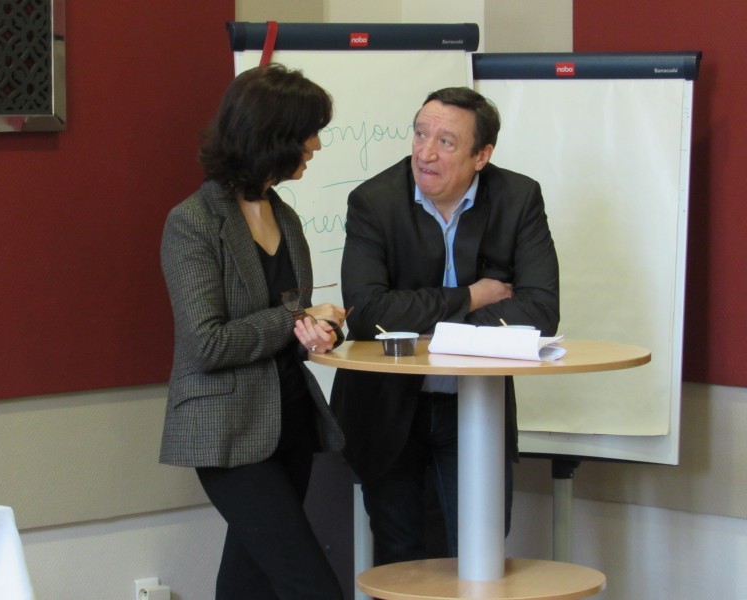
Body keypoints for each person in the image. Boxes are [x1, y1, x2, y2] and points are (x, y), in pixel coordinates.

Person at [331, 87, 559, 566]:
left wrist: (426, 324)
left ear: (482, 156)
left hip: (476, 406)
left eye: (446, 142)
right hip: (389, 410)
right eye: (420, 134)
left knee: (479, 553)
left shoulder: (518, 199)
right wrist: (472, 297)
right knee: (401, 562)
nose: (425, 152)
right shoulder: (374, 201)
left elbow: (540, 311)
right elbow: (368, 314)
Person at [159, 63, 348, 600]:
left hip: (291, 424)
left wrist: (320, 329)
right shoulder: (193, 222)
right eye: (309, 131)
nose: (316, 145)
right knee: (310, 586)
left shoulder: (285, 216)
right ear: (274, 134)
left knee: (249, 586)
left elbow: (292, 320)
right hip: (227, 434)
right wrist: (294, 321)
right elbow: (207, 343)